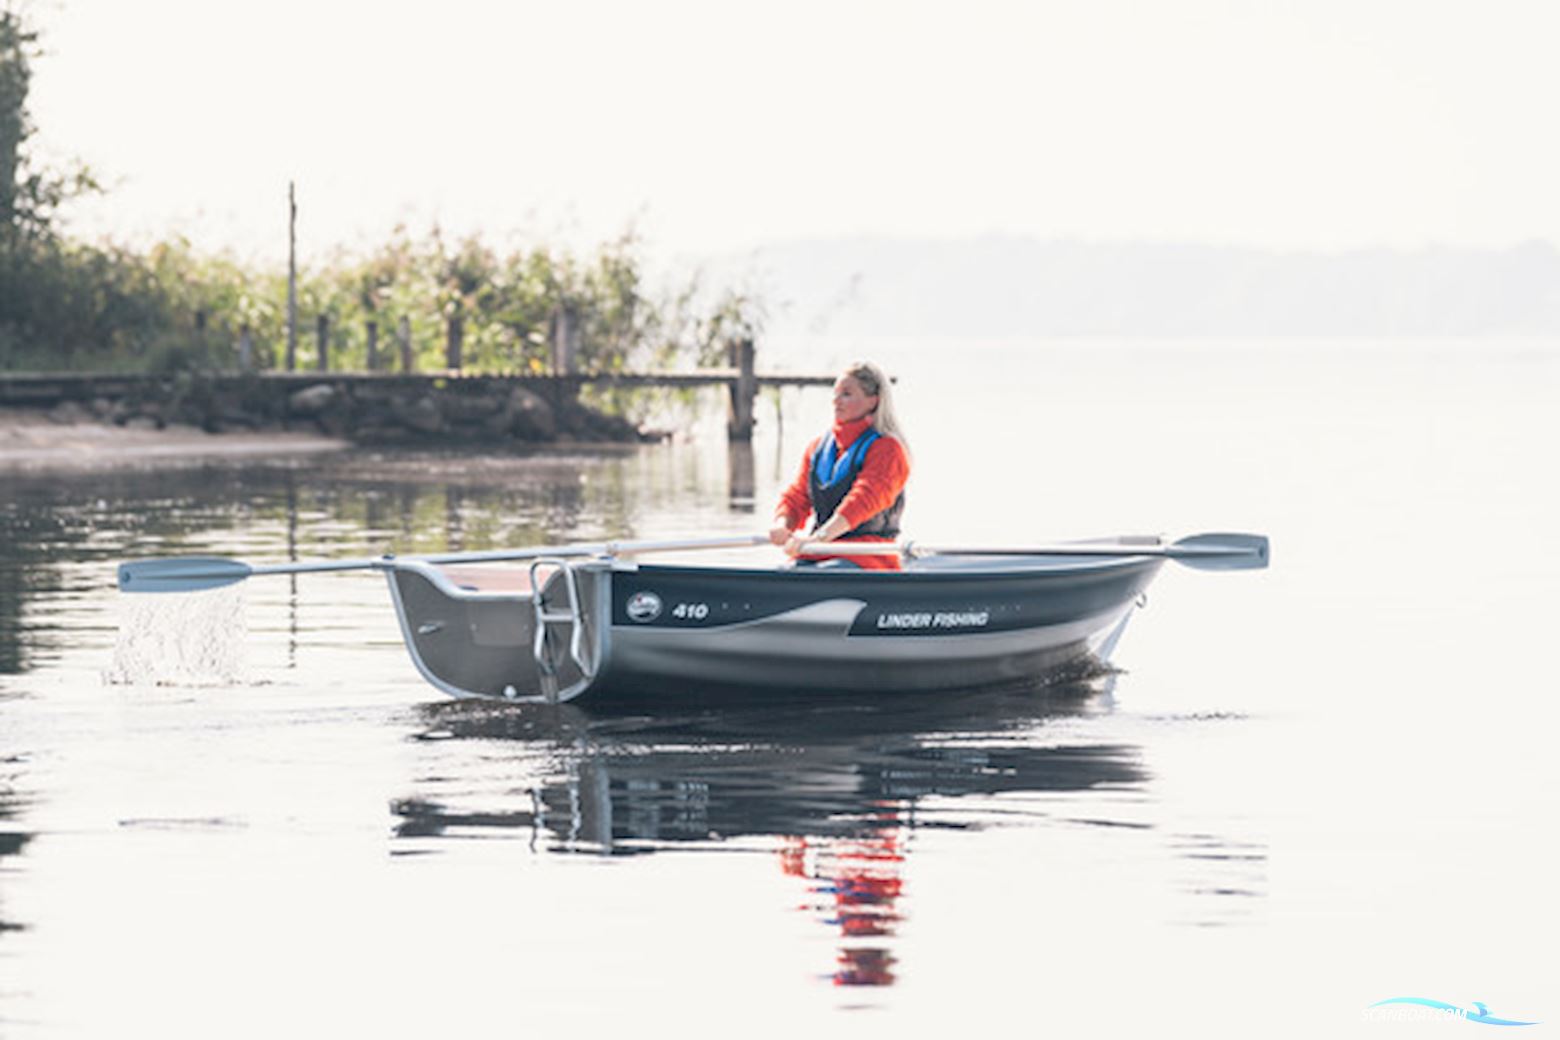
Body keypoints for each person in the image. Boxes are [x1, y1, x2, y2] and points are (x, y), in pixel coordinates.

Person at [768, 361, 910, 571]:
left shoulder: (888, 450)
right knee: (785, 571)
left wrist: (818, 539)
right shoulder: (818, 447)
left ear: (873, 401)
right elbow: (798, 496)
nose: (836, 401)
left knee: (823, 573)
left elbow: (862, 502)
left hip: (868, 558)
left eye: (846, 394)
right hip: (820, 553)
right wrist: (782, 525)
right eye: (835, 393)